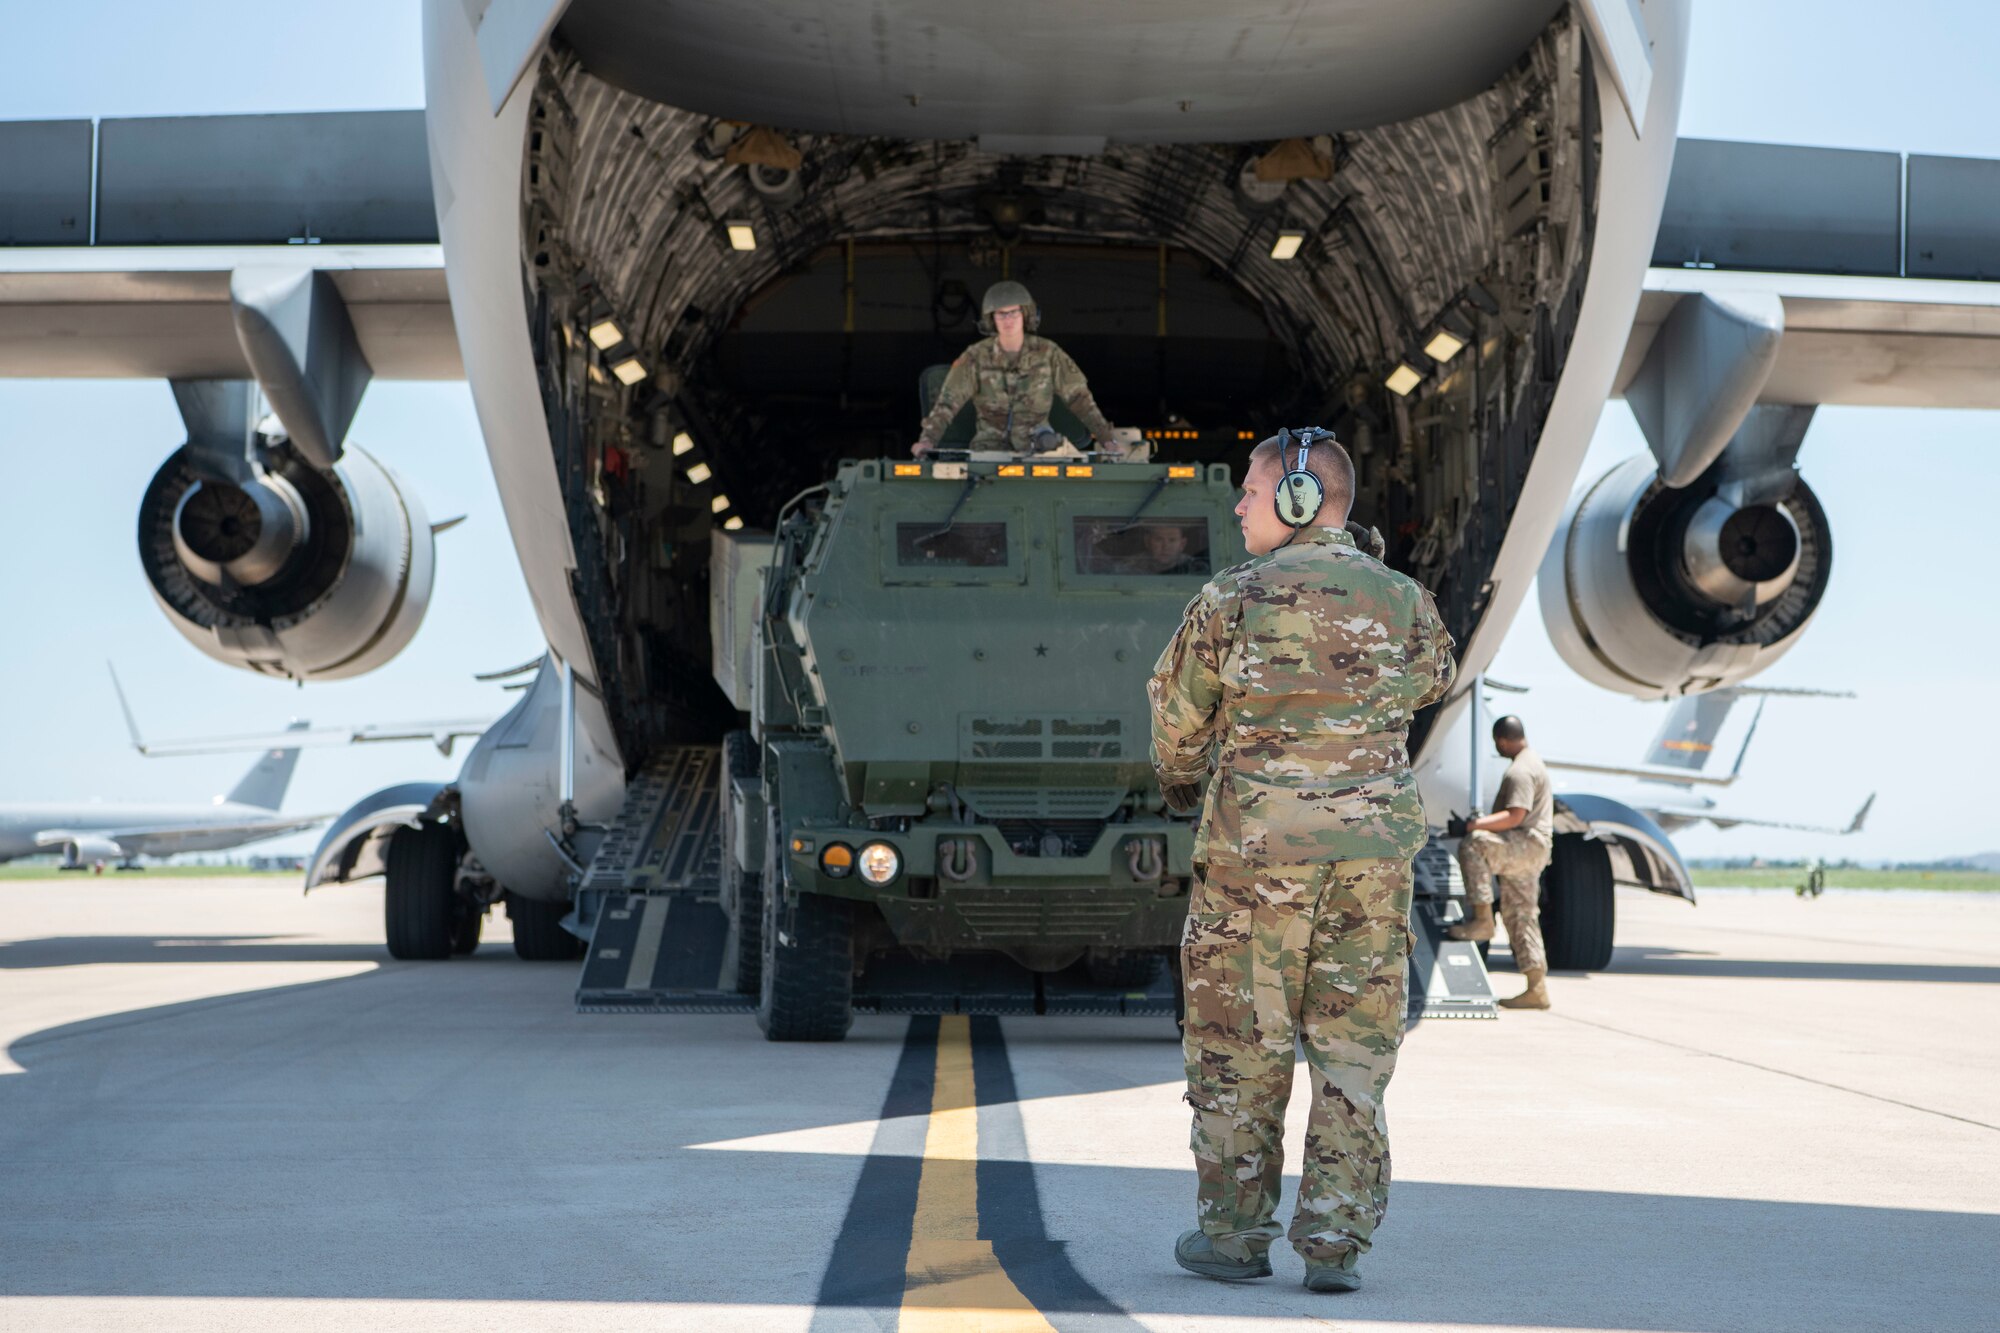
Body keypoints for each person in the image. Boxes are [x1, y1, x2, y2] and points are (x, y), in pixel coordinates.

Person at [1148, 428, 1456, 1294]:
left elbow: (1176, 725)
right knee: (1352, 1046)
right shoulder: (1405, 602)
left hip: (1256, 862)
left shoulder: (1231, 599)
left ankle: (1236, 1236)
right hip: (1372, 862)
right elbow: (1433, 677)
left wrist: (1182, 784)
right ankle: (1335, 1241)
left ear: (1293, 500)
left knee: (1240, 1041)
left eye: (1250, 492)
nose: (1239, 505)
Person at [911, 281, 1123, 456]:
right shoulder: (975, 357)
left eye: (1014, 313)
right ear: (991, 319)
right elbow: (948, 403)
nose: (1008, 320)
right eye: (1001, 314)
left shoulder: (1049, 353)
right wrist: (927, 441)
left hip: (1039, 452)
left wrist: (1107, 440)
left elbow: (1080, 399)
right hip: (988, 454)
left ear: (1026, 315)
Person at [1445, 715, 1555, 1009]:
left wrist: (1471, 826)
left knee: (1474, 845)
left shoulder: (1520, 771)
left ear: (1503, 740)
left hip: (1525, 843)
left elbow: (1516, 815)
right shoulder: (1533, 762)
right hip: (1532, 850)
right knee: (1521, 916)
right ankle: (1537, 988)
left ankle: (1482, 920)